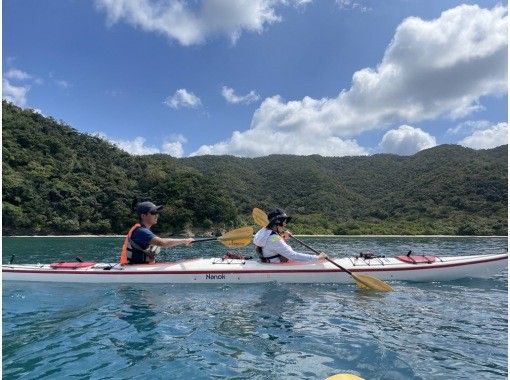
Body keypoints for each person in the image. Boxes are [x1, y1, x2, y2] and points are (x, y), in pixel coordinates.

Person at [120, 201, 193, 265]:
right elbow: (163, 243)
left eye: (157, 213)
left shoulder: (144, 231)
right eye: (153, 213)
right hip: (133, 268)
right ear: (143, 216)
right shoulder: (141, 231)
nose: (156, 215)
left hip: (141, 266)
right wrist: (185, 241)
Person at [253, 208, 328, 263]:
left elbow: (271, 243)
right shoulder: (274, 238)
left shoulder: (262, 232)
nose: (285, 225)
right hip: (276, 265)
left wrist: (282, 236)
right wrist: (317, 258)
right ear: (277, 223)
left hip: (266, 262)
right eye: (284, 223)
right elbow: (292, 256)